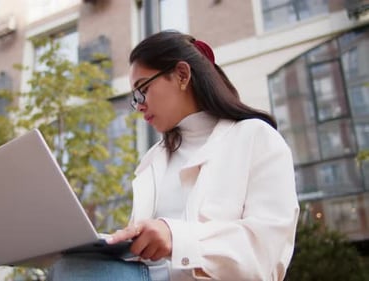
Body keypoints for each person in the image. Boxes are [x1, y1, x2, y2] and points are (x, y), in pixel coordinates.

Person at [48, 30, 299, 281]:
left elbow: (266, 254)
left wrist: (176, 238)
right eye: (135, 99)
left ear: (182, 75)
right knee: (70, 266)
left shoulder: (255, 137)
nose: (140, 105)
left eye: (142, 89)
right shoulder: (152, 161)